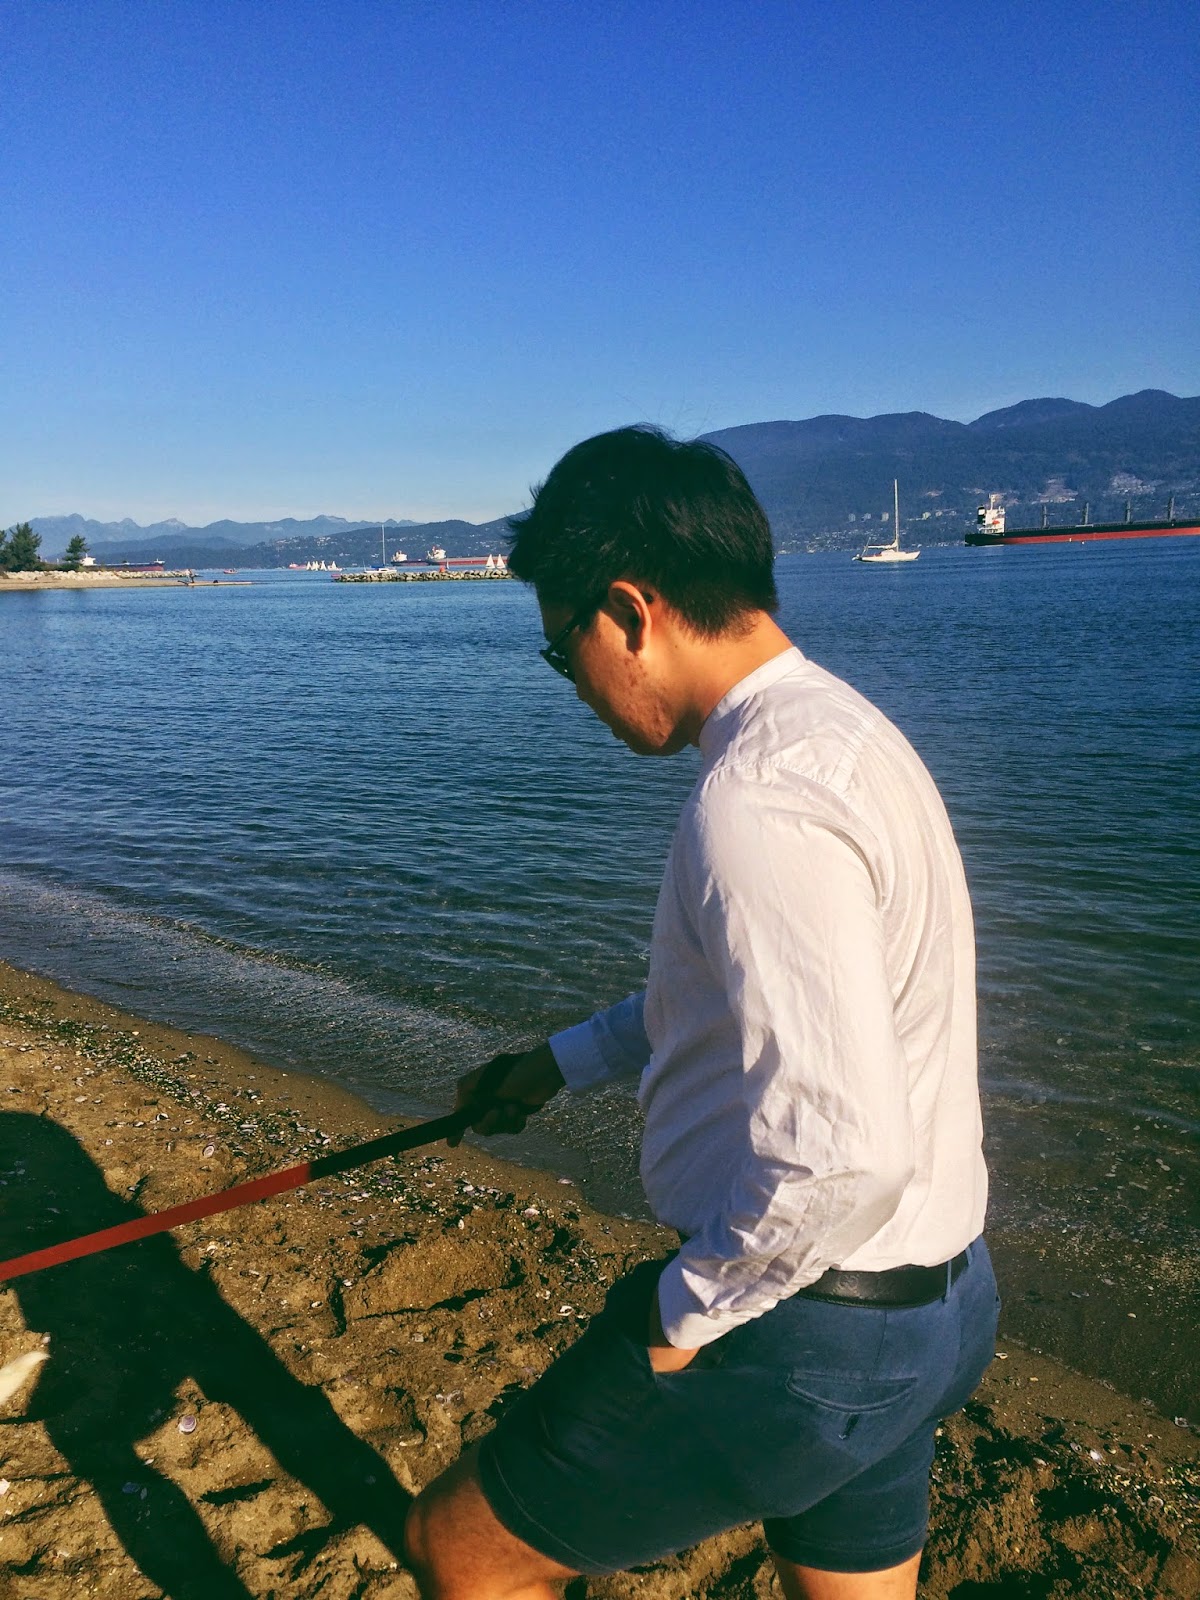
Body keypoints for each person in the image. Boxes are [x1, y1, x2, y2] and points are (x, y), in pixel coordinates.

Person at [404, 426, 997, 1600]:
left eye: (561, 650)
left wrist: (685, 1311)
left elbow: (845, 1156)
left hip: (810, 1332)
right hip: (939, 1308)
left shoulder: (758, 799)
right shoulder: (850, 735)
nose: (574, 688)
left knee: (460, 1549)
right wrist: (554, 1063)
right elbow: (735, 1002)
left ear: (630, 611)